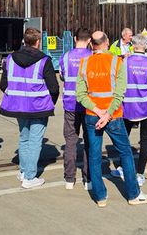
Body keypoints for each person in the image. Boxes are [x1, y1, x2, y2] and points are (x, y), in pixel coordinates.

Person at [75, 31, 147, 207]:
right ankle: (133, 194)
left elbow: (80, 95)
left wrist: (97, 111)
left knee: (94, 155)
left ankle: (100, 196)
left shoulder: (85, 63)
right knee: (125, 152)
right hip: (114, 115)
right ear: (107, 42)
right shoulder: (117, 62)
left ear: (91, 44)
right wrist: (107, 114)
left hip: (92, 115)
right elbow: (120, 93)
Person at [0, 27, 59, 189]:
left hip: (18, 106)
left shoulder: (10, 59)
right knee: (35, 140)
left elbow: (3, 85)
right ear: (38, 42)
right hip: (38, 106)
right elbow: (53, 88)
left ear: (24, 41)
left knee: (24, 138)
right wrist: (49, 102)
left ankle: (23, 171)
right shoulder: (44, 60)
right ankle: (30, 177)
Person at [110, 34, 147, 187]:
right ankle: (140, 173)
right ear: (145, 46)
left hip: (127, 106)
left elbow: (117, 82)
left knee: (123, 139)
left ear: (132, 45)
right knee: (145, 140)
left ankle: (121, 168)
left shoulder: (124, 62)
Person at [58, 28, 93, 190]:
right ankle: (88, 179)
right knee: (89, 141)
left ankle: (69, 179)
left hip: (70, 103)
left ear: (75, 39)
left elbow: (63, 76)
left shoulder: (66, 57)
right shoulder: (92, 57)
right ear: (89, 41)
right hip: (88, 104)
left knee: (71, 141)